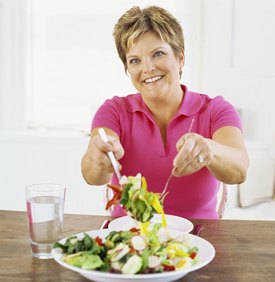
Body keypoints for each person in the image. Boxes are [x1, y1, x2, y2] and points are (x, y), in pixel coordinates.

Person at [81, 5, 249, 219]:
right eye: (135, 60)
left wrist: (210, 150)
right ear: (127, 69)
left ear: (180, 58)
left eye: (158, 54)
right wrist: (98, 158)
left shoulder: (215, 110)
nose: (148, 68)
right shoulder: (114, 111)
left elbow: (239, 170)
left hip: (201, 240)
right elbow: (92, 176)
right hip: (129, 240)